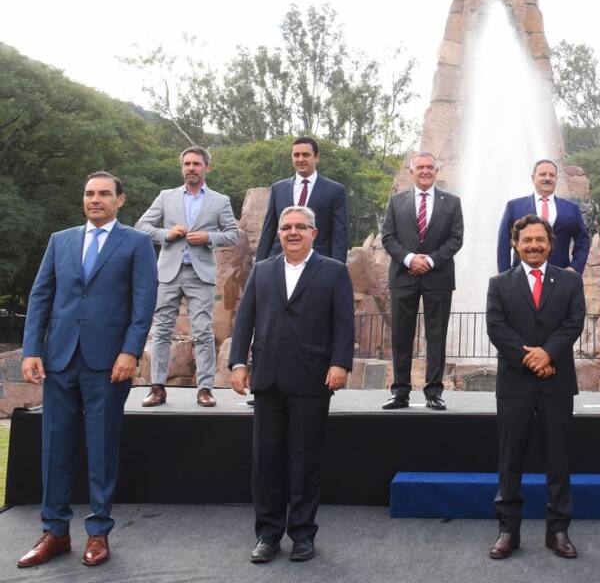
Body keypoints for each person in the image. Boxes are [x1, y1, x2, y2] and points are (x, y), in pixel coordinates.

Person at [18, 171, 157, 569]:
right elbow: (41, 295)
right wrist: (31, 350)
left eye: (104, 194)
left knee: (100, 448)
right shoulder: (60, 241)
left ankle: (98, 533)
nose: (95, 199)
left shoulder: (136, 243)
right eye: (89, 193)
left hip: (108, 364)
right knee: (54, 449)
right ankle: (55, 533)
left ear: (121, 200)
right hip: (59, 360)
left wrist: (130, 352)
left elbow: (143, 303)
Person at [229, 205, 354, 564]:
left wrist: (340, 363)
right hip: (267, 379)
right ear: (279, 233)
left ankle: (302, 534)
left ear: (315, 233)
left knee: (305, 460)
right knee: (265, 461)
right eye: (287, 227)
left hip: (312, 379)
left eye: (301, 227)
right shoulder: (263, 271)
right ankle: (267, 535)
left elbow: (344, 323)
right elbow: (245, 319)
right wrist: (238, 362)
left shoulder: (333, 272)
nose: (293, 232)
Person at [485, 215, 586, 560]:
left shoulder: (570, 282)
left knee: (558, 459)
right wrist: (530, 359)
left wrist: (548, 354)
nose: (533, 246)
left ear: (550, 244)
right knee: (509, 460)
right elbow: (497, 329)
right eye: (526, 240)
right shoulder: (499, 283)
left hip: (557, 381)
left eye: (540, 240)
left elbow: (574, 322)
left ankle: (558, 531)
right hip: (515, 383)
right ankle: (507, 531)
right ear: (515, 244)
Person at [135, 146, 240, 408]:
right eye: (187, 164)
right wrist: (166, 234)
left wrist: (209, 238)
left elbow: (233, 234)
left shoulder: (220, 200)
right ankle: (157, 388)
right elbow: (142, 227)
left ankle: (205, 388)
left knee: (203, 331)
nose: (191, 168)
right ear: (182, 167)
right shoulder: (166, 196)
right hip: (169, 271)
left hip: (200, 272)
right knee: (161, 331)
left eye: (196, 164)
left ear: (207, 168)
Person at [380, 152, 464, 410]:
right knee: (401, 335)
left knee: (436, 335)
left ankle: (434, 391)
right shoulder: (396, 202)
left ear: (436, 172)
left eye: (430, 167)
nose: (425, 171)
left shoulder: (451, 202)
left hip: (438, 276)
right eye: (421, 167)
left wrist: (429, 261)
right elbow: (388, 237)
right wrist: (409, 259)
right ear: (411, 171)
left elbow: (456, 238)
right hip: (403, 276)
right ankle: (400, 391)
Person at [257, 136, 348, 263]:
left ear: (316, 157)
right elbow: (268, 231)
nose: (300, 159)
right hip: (279, 262)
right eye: (296, 155)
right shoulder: (278, 189)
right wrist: (259, 267)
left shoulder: (335, 191)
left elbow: (340, 236)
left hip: (318, 263)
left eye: (305, 155)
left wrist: (338, 270)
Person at [496, 159, 591, 274]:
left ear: (556, 179)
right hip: (521, 279)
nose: (547, 178)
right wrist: (505, 277)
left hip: (560, 278)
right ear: (533, 178)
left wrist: (574, 268)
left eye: (552, 175)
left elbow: (583, 241)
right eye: (542, 174)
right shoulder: (514, 207)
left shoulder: (572, 209)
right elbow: (503, 245)